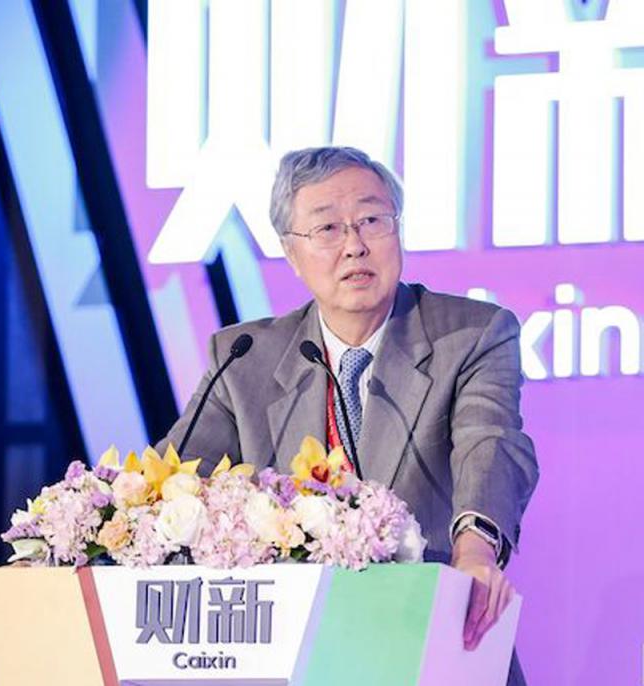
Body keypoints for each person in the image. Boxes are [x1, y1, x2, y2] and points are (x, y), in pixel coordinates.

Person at [156, 146, 538, 686]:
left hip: (430, 641)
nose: (355, 245)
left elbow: (491, 442)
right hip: (294, 657)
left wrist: (475, 549)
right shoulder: (243, 358)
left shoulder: (472, 334)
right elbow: (170, 487)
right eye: (328, 228)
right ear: (291, 253)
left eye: (372, 220)